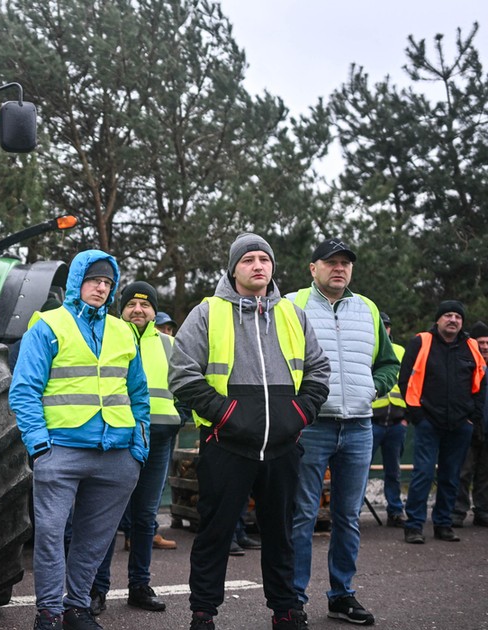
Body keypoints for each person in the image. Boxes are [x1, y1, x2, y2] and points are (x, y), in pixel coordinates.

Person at [169, 233, 330, 630]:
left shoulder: (293, 314)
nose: (258, 265)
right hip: (226, 444)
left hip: (283, 447)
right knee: (215, 534)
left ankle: (286, 610)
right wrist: (228, 416)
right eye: (248, 260)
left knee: (281, 535)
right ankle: (203, 613)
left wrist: (298, 414)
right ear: (233, 269)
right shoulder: (207, 312)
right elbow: (183, 375)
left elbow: (318, 370)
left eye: (264, 259)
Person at [10, 250, 150, 630]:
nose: (101, 288)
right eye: (94, 280)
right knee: (51, 536)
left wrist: (138, 446)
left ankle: (76, 608)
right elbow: (24, 390)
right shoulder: (48, 326)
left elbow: (139, 394)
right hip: (61, 450)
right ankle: (49, 612)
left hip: (117, 454)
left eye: (107, 283)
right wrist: (40, 447)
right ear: (77, 282)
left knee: (95, 540)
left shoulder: (123, 331)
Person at [286, 238, 399, 626]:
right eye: (330, 262)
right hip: (310, 427)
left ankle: (342, 595)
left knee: (348, 517)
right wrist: (297, 406)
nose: (339, 268)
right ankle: (293, 599)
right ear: (312, 268)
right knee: (302, 515)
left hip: (359, 427)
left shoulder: (368, 308)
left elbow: (388, 363)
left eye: (345, 263)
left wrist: (372, 389)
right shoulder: (291, 305)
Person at [89, 282, 183, 617]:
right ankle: (97, 589)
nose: (138, 310)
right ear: (122, 309)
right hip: (119, 437)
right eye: (131, 305)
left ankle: (139, 586)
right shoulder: (107, 337)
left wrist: (180, 418)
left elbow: (186, 384)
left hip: (158, 439)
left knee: (145, 518)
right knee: (108, 517)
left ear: (154, 311)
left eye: (145, 305)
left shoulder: (171, 344)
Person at [399, 301, 487, 544]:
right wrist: (418, 416)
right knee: (423, 474)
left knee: (452, 476)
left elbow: (481, 381)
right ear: (438, 320)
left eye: (458, 316)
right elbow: (405, 379)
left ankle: (443, 524)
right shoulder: (421, 342)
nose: (453, 320)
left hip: (460, 424)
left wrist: (472, 417)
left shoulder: (471, 346)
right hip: (428, 422)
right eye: (448, 315)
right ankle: (414, 526)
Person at [370, 312, 409, 528]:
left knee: (393, 471)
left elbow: (410, 384)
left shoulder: (400, 351)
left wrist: (407, 418)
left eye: (387, 326)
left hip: (396, 423)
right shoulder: (367, 349)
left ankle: (395, 511)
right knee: (359, 471)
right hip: (371, 422)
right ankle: (351, 515)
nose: (384, 329)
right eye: (381, 326)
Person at [454, 320, 488, 527]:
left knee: (485, 473)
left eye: (487, 343)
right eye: (481, 342)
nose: (484, 346)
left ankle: (482, 511)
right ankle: (457, 512)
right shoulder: (465, 364)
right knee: (463, 471)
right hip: (467, 426)